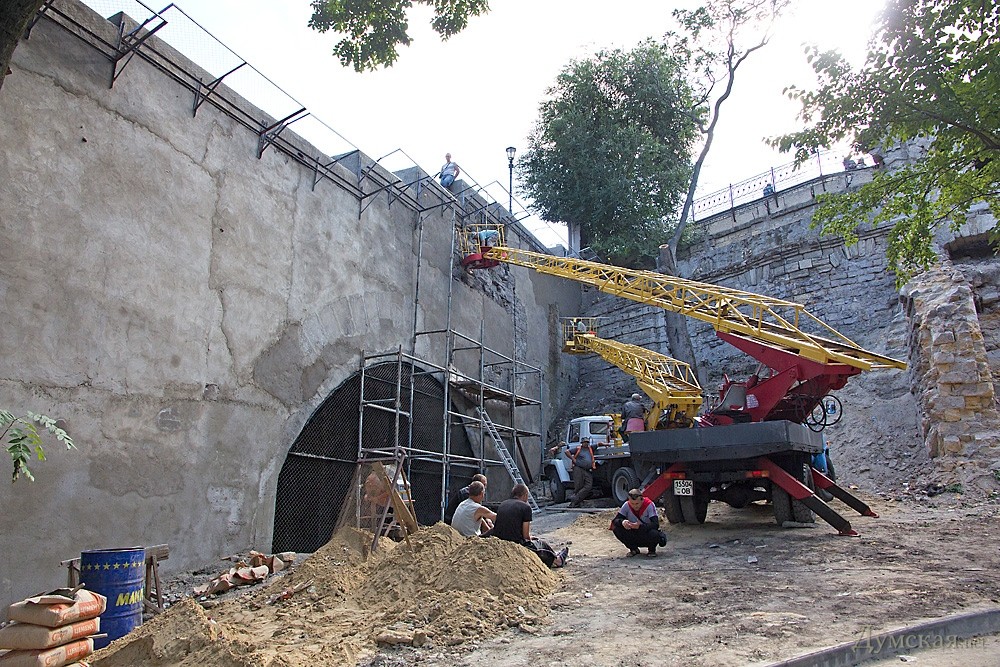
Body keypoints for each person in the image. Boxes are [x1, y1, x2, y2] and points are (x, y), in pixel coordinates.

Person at [487, 484, 568, 567]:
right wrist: (530, 538)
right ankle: (558, 560)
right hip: (517, 543)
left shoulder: (502, 504)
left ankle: (555, 557)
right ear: (525, 494)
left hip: (500, 541)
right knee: (540, 544)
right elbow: (526, 536)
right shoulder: (526, 507)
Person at [611, 488, 668, 557]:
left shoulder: (649, 505)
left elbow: (655, 524)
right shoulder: (626, 505)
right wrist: (622, 522)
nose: (635, 506)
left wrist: (640, 527)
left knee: (654, 533)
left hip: (645, 533)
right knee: (617, 529)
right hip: (633, 533)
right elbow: (615, 521)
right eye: (632, 503)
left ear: (642, 500)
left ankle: (651, 550)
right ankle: (633, 549)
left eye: (637, 503)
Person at [566, 436, 595, 508]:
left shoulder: (590, 448)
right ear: (582, 443)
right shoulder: (578, 449)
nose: (586, 443)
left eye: (587, 442)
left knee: (588, 486)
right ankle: (574, 503)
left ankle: (576, 499)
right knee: (578, 486)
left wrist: (606, 444)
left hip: (587, 470)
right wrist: (573, 459)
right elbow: (567, 452)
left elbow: (599, 444)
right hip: (578, 469)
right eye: (585, 442)